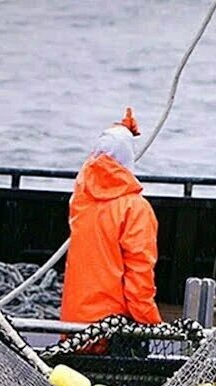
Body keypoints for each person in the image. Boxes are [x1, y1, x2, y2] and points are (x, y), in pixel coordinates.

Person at [59, 108, 163, 328]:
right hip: (113, 330)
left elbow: (96, 161)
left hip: (74, 325)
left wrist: (122, 130)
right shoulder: (136, 210)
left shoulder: (81, 199)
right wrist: (153, 326)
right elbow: (139, 280)